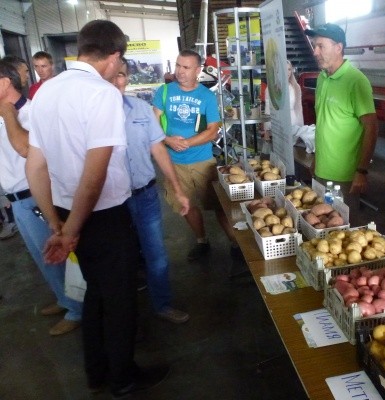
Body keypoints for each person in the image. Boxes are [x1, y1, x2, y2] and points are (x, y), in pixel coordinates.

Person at [26, 20, 169, 397]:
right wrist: (70, 231)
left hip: (65, 212)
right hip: (101, 217)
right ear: (114, 56)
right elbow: (95, 174)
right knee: (119, 298)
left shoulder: (47, 90)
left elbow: (35, 166)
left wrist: (56, 223)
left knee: (95, 293)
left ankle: (98, 372)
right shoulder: (101, 94)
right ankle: (123, 378)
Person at [0, 60, 83, 334]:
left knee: (57, 255)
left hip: (36, 196)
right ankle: (64, 299)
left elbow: (25, 149)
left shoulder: (31, 112)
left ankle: (77, 310)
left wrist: (8, 114)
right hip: (16, 199)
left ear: (5, 82)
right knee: (42, 257)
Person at [113, 58, 190, 324]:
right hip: (111, 203)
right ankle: (123, 316)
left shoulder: (140, 108)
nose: (116, 80)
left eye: (121, 75)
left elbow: (157, 148)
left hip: (145, 195)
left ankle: (162, 304)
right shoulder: (89, 112)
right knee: (118, 259)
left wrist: (178, 189)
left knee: (156, 255)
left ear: (127, 78)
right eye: (112, 75)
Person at [152, 49, 238, 261]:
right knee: (186, 204)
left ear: (198, 70)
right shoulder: (164, 91)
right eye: (178, 66)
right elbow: (153, 123)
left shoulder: (206, 96)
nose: (180, 71)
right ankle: (201, 241)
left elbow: (213, 131)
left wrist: (186, 143)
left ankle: (236, 244)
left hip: (203, 161)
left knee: (219, 205)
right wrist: (167, 140)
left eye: (186, 67)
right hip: (174, 163)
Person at [305, 23, 378, 222]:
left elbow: (371, 127)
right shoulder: (322, 78)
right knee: (321, 223)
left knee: (343, 228)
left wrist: (362, 170)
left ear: (338, 47)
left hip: (344, 177)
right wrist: (316, 158)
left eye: (321, 46)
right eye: (314, 46)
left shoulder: (356, 81)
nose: (315, 52)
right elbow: (325, 123)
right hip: (321, 169)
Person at [263, 59, 304, 139]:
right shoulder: (271, 88)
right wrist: (266, 131)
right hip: (278, 125)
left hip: (293, 125)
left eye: (289, 69)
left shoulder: (296, 87)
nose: (287, 72)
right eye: (284, 69)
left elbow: (299, 109)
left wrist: (301, 128)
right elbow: (268, 109)